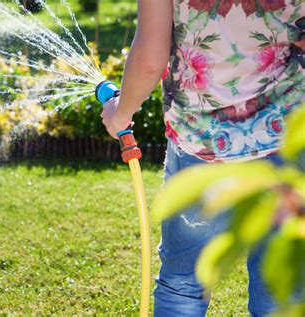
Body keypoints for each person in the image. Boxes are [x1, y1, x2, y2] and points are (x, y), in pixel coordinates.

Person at [100, 1, 304, 316]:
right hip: (285, 139)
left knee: (183, 285)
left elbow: (150, 61)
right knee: (280, 287)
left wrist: (120, 113)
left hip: (201, 142)